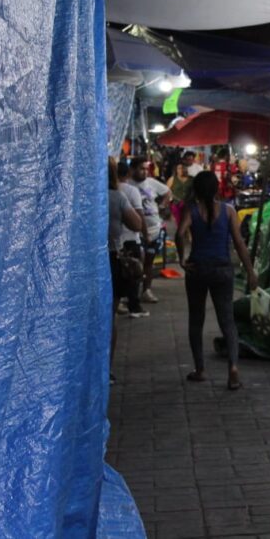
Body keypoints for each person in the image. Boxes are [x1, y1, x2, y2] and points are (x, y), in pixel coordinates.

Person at [175, 171, 258, 391]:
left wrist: (182, 259)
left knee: (196, 320)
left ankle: (200, 369)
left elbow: (180, 233)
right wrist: (250, 271)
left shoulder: (192, 210)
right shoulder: (229, 211)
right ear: (216, 189)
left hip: (197, 270)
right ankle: (233, 369)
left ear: (196, 190)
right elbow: (239, 243)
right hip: (223, 270)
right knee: (227, 321)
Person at [108, 158, 143, 383]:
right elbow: (137, 224)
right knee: (109, 316)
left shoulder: (81, 196)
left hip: (83, 263)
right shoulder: (117, 197)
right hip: (110, 260)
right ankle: (106, 369)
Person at [130, 157, 170, 304]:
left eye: (146, 169)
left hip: (154, 229)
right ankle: (132, 294)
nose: (145, 172)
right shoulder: (127, 185)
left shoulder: (152, 182)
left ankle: (146, 290)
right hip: (135, 232)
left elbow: (167, 192)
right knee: (135, 264)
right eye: (142, 168)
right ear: (133, 169)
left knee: (149, 262)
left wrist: (162, 206)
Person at [117, 161, 147, 318]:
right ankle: (134, 307)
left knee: (118, 274)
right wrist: (145, 233)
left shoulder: (106, 191)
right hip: (130, 238)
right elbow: (139, 216)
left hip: (114, 241)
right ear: (128, 173)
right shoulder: (130, 191)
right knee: (133, 274)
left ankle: (118, 304)